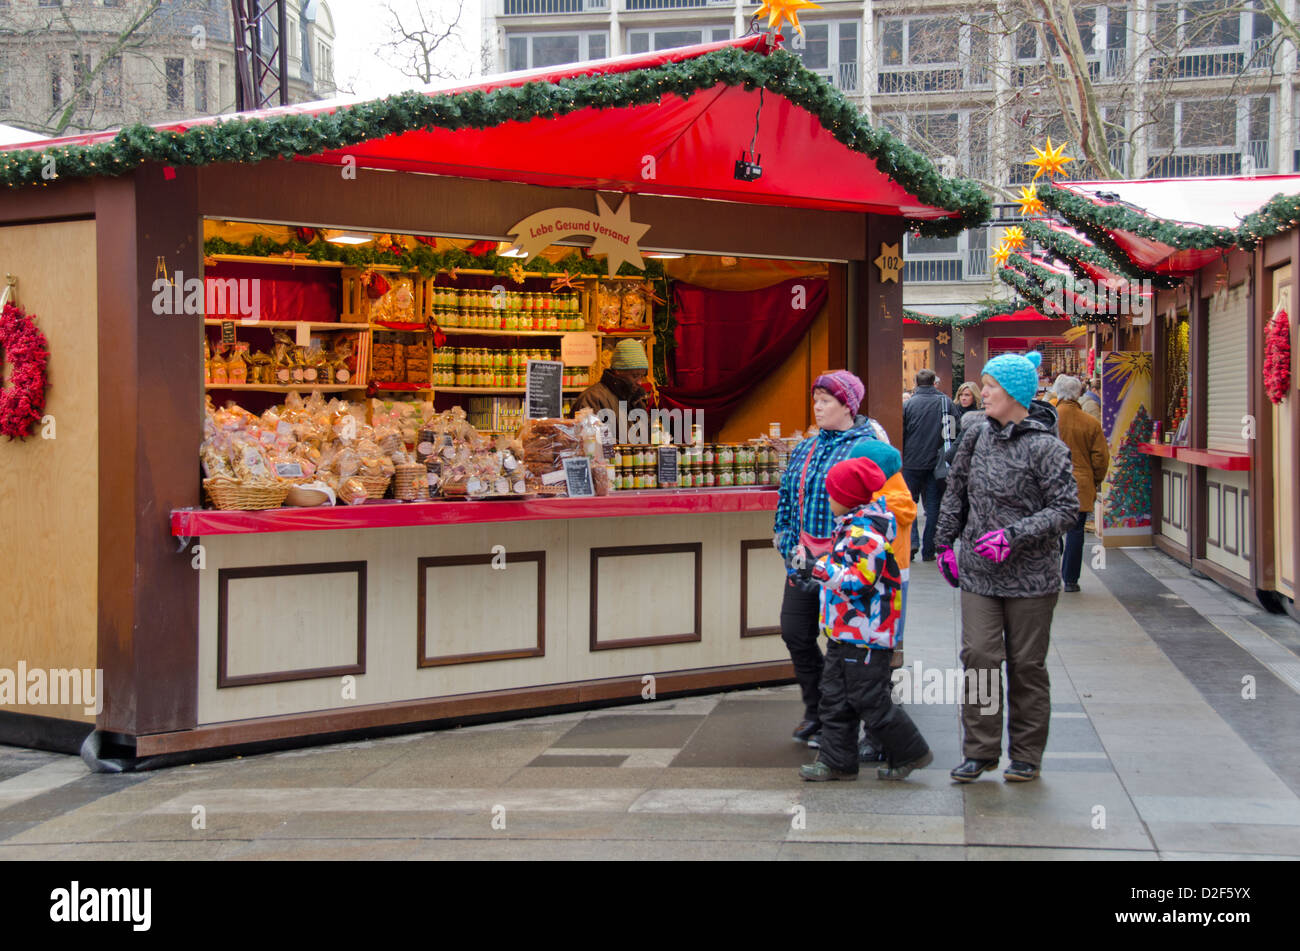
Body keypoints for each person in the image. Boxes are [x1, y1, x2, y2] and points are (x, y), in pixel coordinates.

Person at [934, 350, 1078, 784]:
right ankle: (979, 752)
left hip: (1032, 577)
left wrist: (1013, 536)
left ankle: (1026, 756)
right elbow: (955, 491)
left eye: (991, 386)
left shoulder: (1047, 448)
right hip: (979, 572)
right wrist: (944, 542)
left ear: (1014, 392)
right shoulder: (975, 437)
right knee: (979, 656)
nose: (984, 393)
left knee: (1026, 664)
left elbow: (1066, 509)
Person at [798, 457, 933, 782]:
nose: (828, 499)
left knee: (869, 698)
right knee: (834, 697)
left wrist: (817, 568)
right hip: (844, 631)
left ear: (847, 497)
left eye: (832, 494)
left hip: (868, 636)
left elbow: (858, 581)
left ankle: (911, 751)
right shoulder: (850, 528)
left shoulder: (865, 534)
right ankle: (837, 760)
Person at [773, 371, 882, 748]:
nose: (817, 407)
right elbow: (786, 500)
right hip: (803, 562)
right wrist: (788, 544)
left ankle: (857, 724)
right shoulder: (805, 448)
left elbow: (879, 509)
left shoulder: (867, 446)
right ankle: (818, 709)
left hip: (848, 567)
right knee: (795, 631)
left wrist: (850, 555)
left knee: (848, 648)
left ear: (848, 405)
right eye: (815, 399)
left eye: (826, 401)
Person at [1053, 375, 1110, 593]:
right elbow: (1101, 458)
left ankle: (1050, 573)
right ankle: (1070, 580)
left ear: (1058, 393)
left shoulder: (1049, 420)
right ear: (1078, 394)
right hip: (1081, 483)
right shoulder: (1090, 422)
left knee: (1052, 530)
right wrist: (1094, 480)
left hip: (1053, 482)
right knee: (1076, 532)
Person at [901, 368, 953, 562]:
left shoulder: (909, 405)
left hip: (912, 461)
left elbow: (902, 432)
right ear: (934, 382)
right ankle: (929, 548)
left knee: (909, 504)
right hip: (936, 462)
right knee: (933, 506)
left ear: (916, 382)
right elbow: (952, 432)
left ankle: (912, 541)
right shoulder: (945, 402)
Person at [571, 339, 649, 417]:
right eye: (635, 376)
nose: (640, 382)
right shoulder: (591, 400)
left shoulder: (636, 400)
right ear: (618, 371)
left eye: (642, 376)